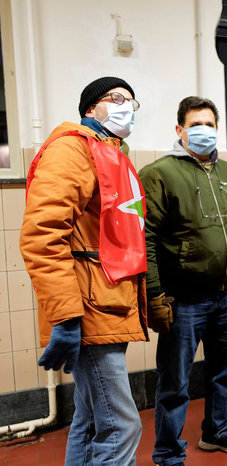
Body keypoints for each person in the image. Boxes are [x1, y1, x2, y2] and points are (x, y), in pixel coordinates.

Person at [21, 76, 147, 465]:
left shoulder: (108, 153)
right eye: (116, 98)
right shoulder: (73, 150)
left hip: (105, 302)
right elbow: (42, 236)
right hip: (89, 310)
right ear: (91, 108)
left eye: (131, 101)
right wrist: (66, 317)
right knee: (122, 426)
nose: (126, 106)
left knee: (91, 419)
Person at [139, 96, 227, 464]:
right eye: (196, 124)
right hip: (183, 298)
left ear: (218, 130)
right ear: (180, 130)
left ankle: (217, 432)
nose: (204, 130)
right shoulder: (159, 173)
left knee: (226, 369)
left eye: (209, 124)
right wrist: (154, 294)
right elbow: (147, 238)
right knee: (174, 382)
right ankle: (169, 453)